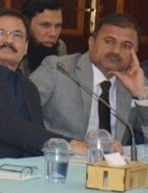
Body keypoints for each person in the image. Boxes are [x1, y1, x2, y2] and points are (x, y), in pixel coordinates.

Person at [0, 9, 86, 159]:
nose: (8, 41)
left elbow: (34, 134)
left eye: (17, 35)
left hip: (26, 170)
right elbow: (2, 124)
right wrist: (66, 144)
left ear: (25, 47)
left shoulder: (28, 86)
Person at [30, 13, 147, 143]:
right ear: (91, 42)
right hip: (65, 157)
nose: (116, 51)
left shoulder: (135, 81)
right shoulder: (58, 69)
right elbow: (21, 115)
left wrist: (141, 96)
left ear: (135, 51)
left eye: (126, 46)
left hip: (114, 161)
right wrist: (68, 145)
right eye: (109, 41)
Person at [22, 0, 68, 73]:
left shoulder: (60, 47)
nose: (53, 33)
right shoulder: (15, 46)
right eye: (45, 25)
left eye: (58, 26)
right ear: (27, 25)